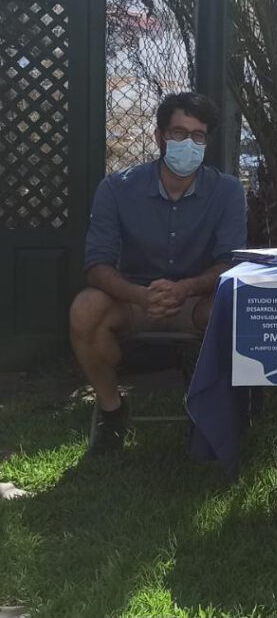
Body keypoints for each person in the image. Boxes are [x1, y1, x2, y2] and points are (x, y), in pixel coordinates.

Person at [70, 92, 246, 453]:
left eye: (198, 136)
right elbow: (96, 266)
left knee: (233, 308)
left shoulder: (227, 191)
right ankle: (112, 410)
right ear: (159, 137)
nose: (189, 143)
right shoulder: (117, 189)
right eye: (179, 133)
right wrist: (139, 295)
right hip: (133, 301)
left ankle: (217, 413)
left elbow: (230, 261)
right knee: (85, 309)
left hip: (196, 301)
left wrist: (186, 288)